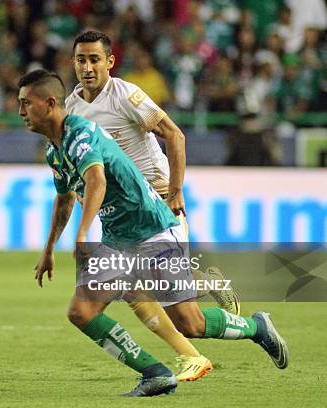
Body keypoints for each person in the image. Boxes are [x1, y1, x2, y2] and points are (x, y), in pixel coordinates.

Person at [18, 69, 289, 396]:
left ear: (49, 103)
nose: (20, 112)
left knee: (191, 324)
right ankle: (155, 373)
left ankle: (257, 327)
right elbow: (63, 199)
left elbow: (97, 181)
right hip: (117, 240)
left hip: (152, 229)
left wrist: (83, 232)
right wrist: (49, 248)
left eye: (25, 103)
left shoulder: (81, 134)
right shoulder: (54, 150)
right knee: (82, 312)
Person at [65, 29, 289, 368]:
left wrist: (176, 190)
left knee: (179, 313)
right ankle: (172, 354)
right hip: (122, 218)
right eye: (81, 59)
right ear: (73, 63)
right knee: (139, 306)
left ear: (109, 62)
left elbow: (174, 134)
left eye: (95, 59)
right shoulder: (71, 108)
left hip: (156, 206)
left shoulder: (126, 95)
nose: (87, 67)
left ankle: (248, 326)